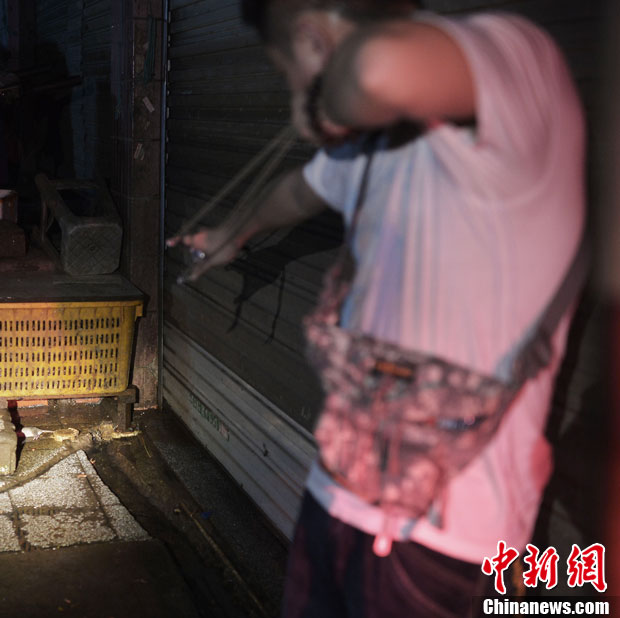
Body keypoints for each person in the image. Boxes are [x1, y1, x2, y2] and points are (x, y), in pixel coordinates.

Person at [167, 0, 586, 615]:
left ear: (314, 35)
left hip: (446, 539)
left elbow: (372, 72)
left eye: (289, 70)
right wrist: (235, 233)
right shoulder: (377, 144)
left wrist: (314, 102)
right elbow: (297, 190)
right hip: (334, 496)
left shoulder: (513, 53)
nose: (295, 90)